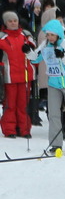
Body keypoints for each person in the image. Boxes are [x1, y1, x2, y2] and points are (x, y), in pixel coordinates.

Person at [32, 19, 65, 154]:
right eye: (47, 35)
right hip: (54, 84)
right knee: (54, 114)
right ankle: (56, 144)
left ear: (58, 35)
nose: (49, 38)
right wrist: (27, 52)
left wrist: (63, 56)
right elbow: (34, 58)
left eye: (52, 35)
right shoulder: (45, 45)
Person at [0, 10, 35, 138]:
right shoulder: (2, 37)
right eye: (10, 21)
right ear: (5, 23)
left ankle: (24, 129)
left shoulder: (25, 35)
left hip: (26, 76)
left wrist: (30, 47)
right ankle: (9, 129)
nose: (13, 23)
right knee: (10, 104)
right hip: (10, 76)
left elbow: (35, 50)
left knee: (23, 104)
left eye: (15, 20)